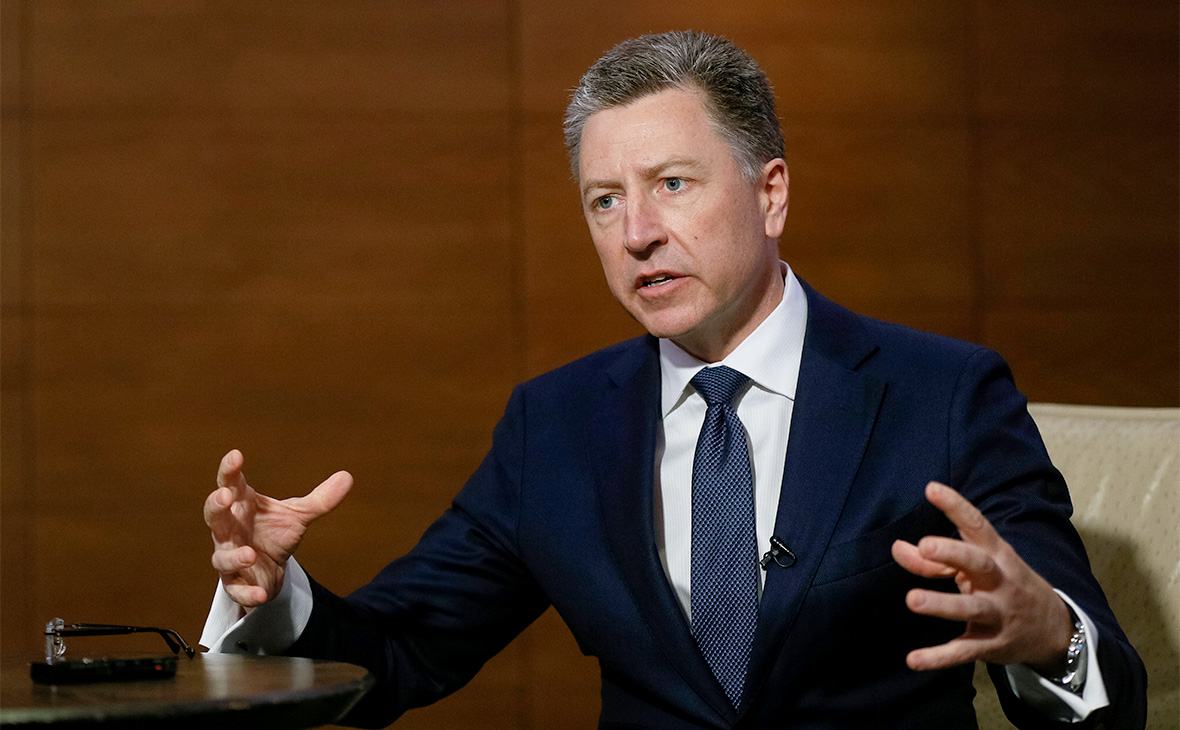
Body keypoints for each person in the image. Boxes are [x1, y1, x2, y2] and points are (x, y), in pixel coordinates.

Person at [201, 31, 1146, 729]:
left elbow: (1111, 688)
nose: (637, 233)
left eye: (673, 185)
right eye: (604, 200)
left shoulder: (941, 394)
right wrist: (275, 594)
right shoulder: (554, 425)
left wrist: (1050, 636)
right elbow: (402, 653)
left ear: (770, 194)